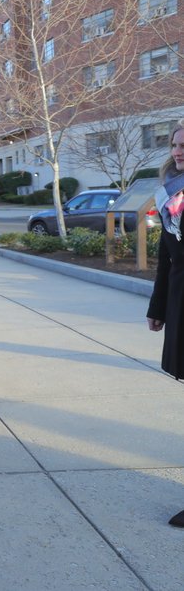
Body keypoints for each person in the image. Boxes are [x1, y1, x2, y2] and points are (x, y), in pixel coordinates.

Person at [146, 120, 184, 528]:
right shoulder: (171, 195)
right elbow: (166, 257)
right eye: (175, 145)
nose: (178, 151)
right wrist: (157, 307)